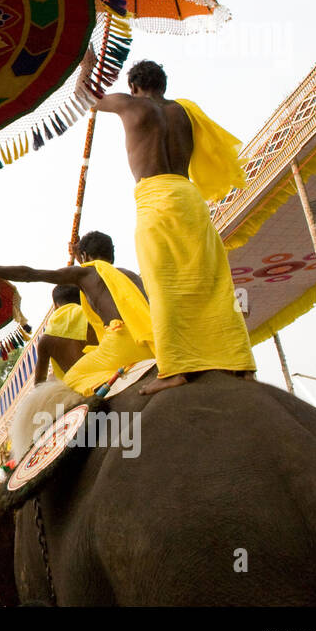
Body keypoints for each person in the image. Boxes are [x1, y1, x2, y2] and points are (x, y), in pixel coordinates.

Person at [90, 59, 255, 393]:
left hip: (156, 200)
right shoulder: (184, 112)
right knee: (212, 281)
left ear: (134, 86)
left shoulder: (128, 103)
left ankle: (175, 369)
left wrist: (87, 62)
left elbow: (88, 98)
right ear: (163, 85)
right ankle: (240, 365)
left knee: (162, 283)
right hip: (189, 197)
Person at [0, 231, 154, 397]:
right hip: (151, 342)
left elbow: (30, 274)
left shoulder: (85, 273)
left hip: (123, 346)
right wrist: (78, 255)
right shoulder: (129, 276)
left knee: (72, 380)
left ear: (85, 257)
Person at [33, 283, 96, 385]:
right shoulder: (92, 315)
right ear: (81, 298)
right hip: (110, 378)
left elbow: (39, 384)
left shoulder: (45, 339)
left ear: (56, 305)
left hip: (78, 391)